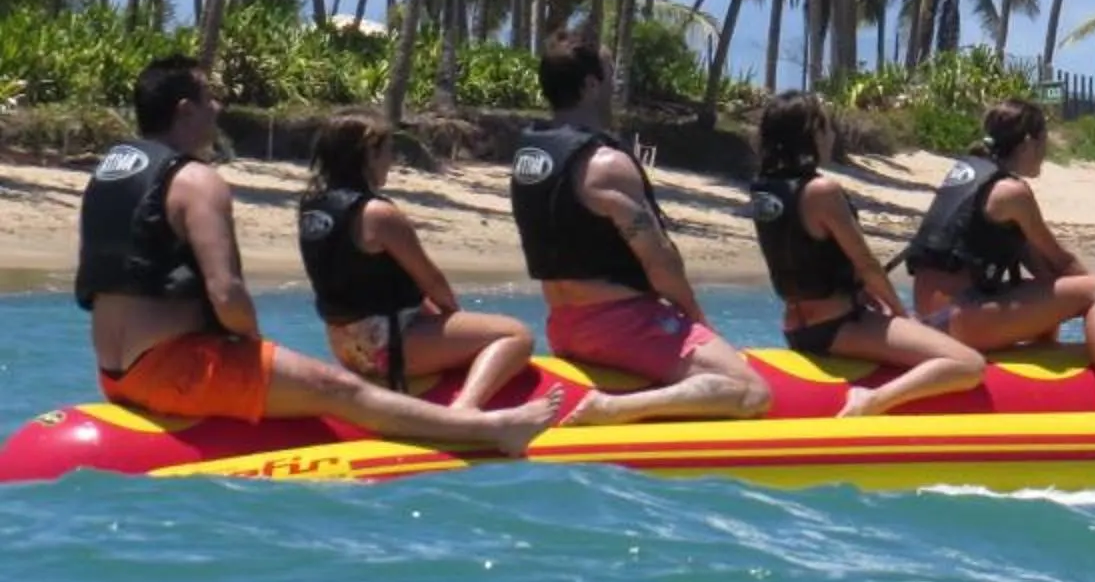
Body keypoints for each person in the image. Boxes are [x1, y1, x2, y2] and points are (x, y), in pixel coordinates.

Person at [78, 57, 561, 450]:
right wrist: (254, 350)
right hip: (177, 370)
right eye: (210, 98)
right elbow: (226, 294)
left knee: (321, 379)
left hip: (114, 372)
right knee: (341, 390)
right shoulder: (196, 180)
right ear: (185, 109)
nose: (218, 107)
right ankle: (492, 429)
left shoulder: (110, 173)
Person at [512, 32, 770, 424]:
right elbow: (660, 260)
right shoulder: (605, 165)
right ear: (590, 85)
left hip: (563, 325)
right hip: (623, 326)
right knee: (753, 392)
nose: (614, 88)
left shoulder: (529, 159)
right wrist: (696, 320)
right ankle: (611, 408)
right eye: (610, 75)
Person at [298, 111, 559, 414]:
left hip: (344, 346)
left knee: (436, 319)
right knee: (517, 335)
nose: (391, 161)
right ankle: (466, 407)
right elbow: (432, 281)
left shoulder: (312, 210)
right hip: (387, 348)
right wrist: (454, 322)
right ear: (368, 154)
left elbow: (363, 281)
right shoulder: (378, 215)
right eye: (388, 151)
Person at [751, 93, 986, 417]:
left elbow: (804, 257)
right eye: (827, 127)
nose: (832, 135)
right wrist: (901, 315)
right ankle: (872, 400)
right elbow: (867, 264)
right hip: (837, 326)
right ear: (811, 134)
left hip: (797, 326)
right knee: (968, 364)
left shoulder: (763, 190)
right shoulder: (822, 192)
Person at [905, 101, 1095, 413]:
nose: (1048, 150)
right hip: (958, 320)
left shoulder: (972, 176)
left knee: (1045, 287)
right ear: (1029, 142)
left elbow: (1044, 270)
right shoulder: (1012, 193)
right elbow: (1062, 261)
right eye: (1046, 140)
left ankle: (1044, 370)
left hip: (937, 316)